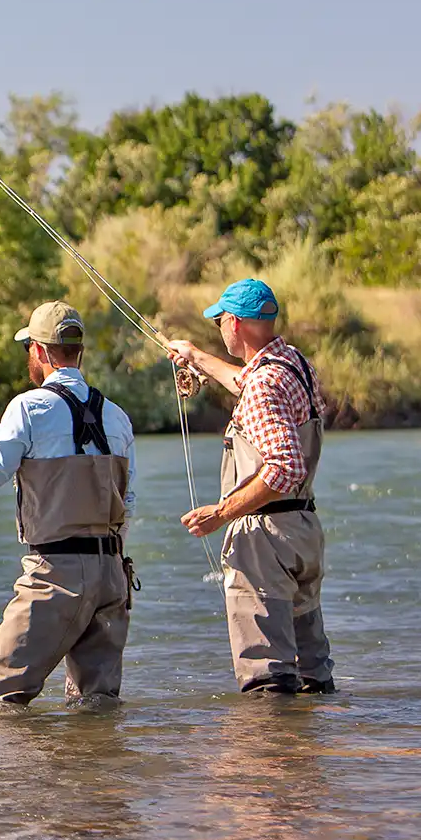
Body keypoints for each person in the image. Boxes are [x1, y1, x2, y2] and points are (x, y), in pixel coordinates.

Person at [0, 301, 137, 706]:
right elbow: (129, 501)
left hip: (56, 573)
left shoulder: (28, 407)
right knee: (97, 706)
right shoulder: (119, 417)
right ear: (78, 350)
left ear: (39, 350)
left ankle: (13, 772)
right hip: (112, 576)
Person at [165, 278, 335, 696]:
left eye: (221, 320)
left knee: (268, 678)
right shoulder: (292, 364)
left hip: (266, 541)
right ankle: (320, 754)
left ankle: (267, 759)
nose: (219, 327)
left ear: (236, 324)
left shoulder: (262, 386)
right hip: (302, 531)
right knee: (310, 669)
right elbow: (247, 382)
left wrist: (220, 513)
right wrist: (196, 358)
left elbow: (284, 467)